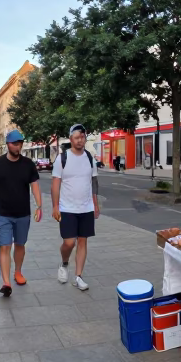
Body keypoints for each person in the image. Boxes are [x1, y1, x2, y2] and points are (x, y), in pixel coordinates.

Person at [0, 129, 42, 296]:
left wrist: (39, 205)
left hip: (23, 213)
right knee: (5, 246)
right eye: (15, 143)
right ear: (8, 144)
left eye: (20, 143)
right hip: (2, 213)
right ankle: (6, 282)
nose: (18, 146)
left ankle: (18, 272)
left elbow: (35, 185)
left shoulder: (28, 164)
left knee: (20, 244)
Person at [52, 124, 100, 291]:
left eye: (83, 137)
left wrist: (95, 203)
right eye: (77, 137)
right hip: (67, 208)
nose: (81, 140)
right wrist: (55, 206)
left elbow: (94, 182)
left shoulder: (89, 157)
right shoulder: (62, 158)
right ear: (71, 139)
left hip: (86, 207)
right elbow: (55, 184)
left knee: (82, 241)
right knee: (69, 242)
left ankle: (78, 276)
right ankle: (64, 263)